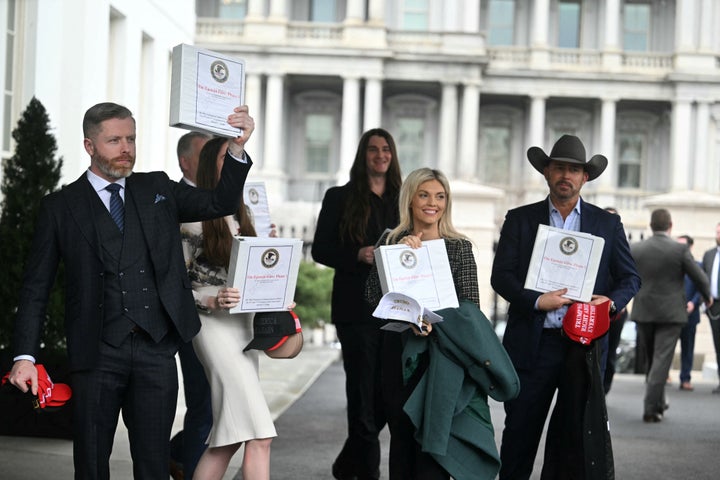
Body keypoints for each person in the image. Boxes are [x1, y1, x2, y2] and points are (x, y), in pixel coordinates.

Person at [6, 102, 254, 478]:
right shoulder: (60, 207)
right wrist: (24, 356)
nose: (126, 148)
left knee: (153, 466)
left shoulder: (156, 188)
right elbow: (35, 289)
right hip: (96, 351)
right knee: (91, 465)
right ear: (89, 145)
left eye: (131, 139)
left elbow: (219, 201)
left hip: (156, 349)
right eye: (115, 140)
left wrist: (236, 149)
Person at [491, 134, 641, 480]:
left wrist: (611, 302)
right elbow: (501, 277)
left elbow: (630, 278)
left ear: (585, 177)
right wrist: (537, 300)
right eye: (559, 167)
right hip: (533, 345)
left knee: (573, 443)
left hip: (582, 349)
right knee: (519, 437)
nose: (566, 176)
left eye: (574, 170)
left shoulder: (607, 224)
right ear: (546, 172)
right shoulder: (520, 219)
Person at [366, 167, 518, 480]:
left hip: (445, 357)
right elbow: (371, 297)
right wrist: (398, 256)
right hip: (400, 354)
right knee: (403, 441)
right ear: (410, 199)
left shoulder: (458, 246)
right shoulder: (390, 240)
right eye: (424, 195)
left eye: (440, 196)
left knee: (437, 449)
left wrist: (435, 321)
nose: (432, 202)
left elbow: (470, 309)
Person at [180, 136, 276, 480]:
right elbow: (173, 288)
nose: (234, 163)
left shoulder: (242, 211)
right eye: (226, 157)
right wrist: (210, 299)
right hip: (212, 326)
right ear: (209, 165)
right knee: (259, 434)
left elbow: (254, 273)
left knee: (228, 438)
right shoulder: (189, 216)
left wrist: (275, 286)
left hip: (243, 325)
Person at [312, 128, 402, 480]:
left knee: (387, 394)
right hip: (355, 310)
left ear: (392, 156)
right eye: (373, 149)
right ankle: (366, 472)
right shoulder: (339, 197)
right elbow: (320, 249)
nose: (380, 155)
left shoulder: (402, 198)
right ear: (362, 155)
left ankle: (349, 460)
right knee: (362, 391)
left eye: (386, 149)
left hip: (396, 307)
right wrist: (358, 254)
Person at [630, 209, 711, 422]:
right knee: (661, 360)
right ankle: (650, 408)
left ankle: (659, 401)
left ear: (650, 225)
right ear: (670, 226)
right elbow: (699, 277)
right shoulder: (680, 249)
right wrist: (707, 296)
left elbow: (625, 276)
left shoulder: (636, 248)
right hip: (670, 313)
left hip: (644, 311)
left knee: (652, 359)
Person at [170, 130, 214, 480]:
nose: (216, 161)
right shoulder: (175, 200)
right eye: (206, 155)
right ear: (186, 162)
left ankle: (179, 454)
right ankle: (189, 466)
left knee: (215, 404)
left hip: (228, 317)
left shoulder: (221, 197)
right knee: (204, 403)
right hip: (194, 317)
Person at [602, 207, 630, 394]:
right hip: (591, 309)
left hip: (615, 311)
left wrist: (616, 304)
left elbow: (629, 279)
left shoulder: (622, 248)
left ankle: (604, 389)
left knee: (610, 351)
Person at [677, 234, 703, 391]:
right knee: (666, 346)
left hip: (690, 314)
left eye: (683, 245)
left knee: (688, 348)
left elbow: (702, 287)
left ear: (690, 247)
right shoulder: (672, 264)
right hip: (672, 313)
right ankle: (662, 376)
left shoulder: (697, 266)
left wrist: (693, 303)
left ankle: (685, 378)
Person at [701, 222, 720, 394]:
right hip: (714, 305)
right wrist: (704, 298)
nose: (718, 235)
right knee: (718, 344)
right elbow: (703, 279)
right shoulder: (709, 255)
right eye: (717, 232)